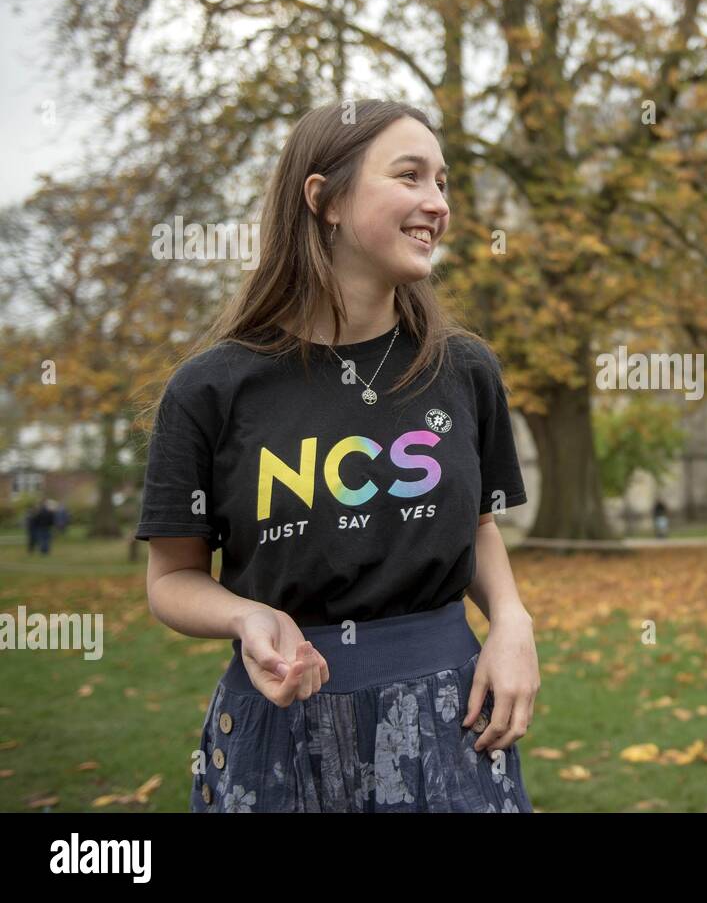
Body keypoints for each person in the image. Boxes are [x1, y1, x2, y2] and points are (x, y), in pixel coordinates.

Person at [135, 99, 538, 812]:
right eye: (410, 176)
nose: (436, 203)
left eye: (443, 182)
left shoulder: (464, 369)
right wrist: (242, 618)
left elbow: (476, 526)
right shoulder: (211, 389)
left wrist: (510, 621)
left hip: (452, 729)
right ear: (323, 199)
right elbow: (171, 578)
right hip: (280, 735)